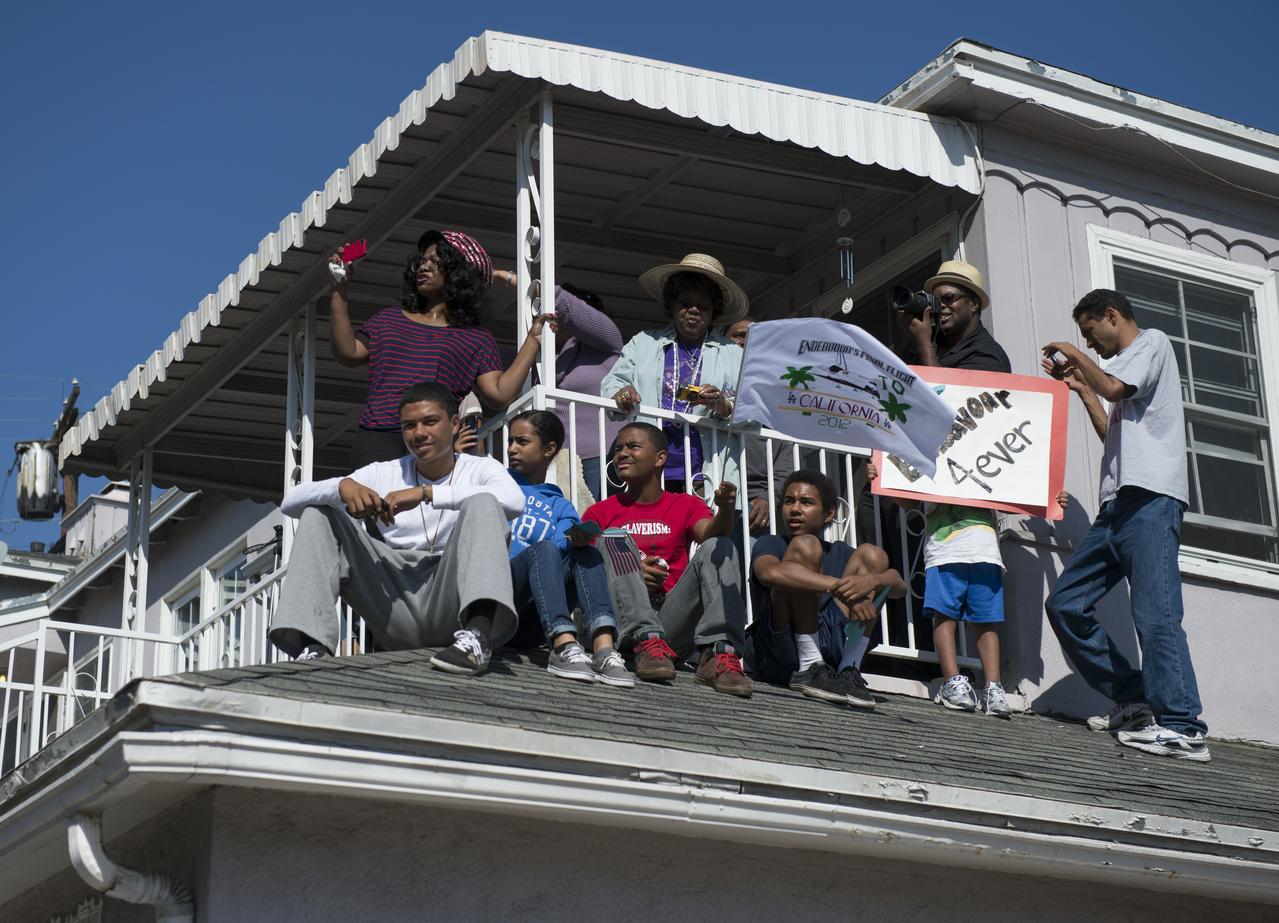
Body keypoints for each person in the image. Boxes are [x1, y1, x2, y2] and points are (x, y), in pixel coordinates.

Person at [1041, 289, 1209, 762]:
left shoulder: (1151, 344)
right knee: (1067, 603)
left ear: (1112, 315)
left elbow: (1114, 388)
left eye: (1090, 333)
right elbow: (1111, 428)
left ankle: (1183, 726)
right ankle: (1136, 701)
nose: (1089, 345)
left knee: (1155, 614)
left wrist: (1076, 358)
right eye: (1083, 341)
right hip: (1115, 508)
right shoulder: (1123, 371)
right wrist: (1081, 388)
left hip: (1152, 501)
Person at [267, 381, 525, 677]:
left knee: (483, 503)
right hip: (394, 600)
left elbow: (515, 502)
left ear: (454, 424)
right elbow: (290, 503)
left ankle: (478, 639)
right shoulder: (383, 472)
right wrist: (341, 486)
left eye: (429, 422)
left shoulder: (480, 468)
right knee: (317, 513)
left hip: (450, 599)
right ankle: (312, 647)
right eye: (409, 425)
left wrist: (426, 494)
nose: (418, 434)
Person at [888, 260, 1016, 716]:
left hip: (972, 504)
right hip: (933, 499)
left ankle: (991, 684)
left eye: (948, 300)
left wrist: (925, 345)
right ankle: (953, 677)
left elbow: (951, 408)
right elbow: (901, 393)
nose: (939, 308)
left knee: (982, 609)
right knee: (941, 602)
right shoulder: (934, 343)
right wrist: (913, 337)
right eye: (934, 300)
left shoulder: (989, 355)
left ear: (973, 305)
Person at [327, 230, 551, 467]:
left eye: (435, 261)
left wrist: (532, 341)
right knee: (371, 504)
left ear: (459, 273)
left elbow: (498, 395)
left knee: (426, 504)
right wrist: (338, 290)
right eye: (422, 261)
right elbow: (348, 353)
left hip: (435, 442)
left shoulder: (476, 338)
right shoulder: (388, 319)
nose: (424, 267)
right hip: (377, 435)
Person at [583, 423, 752, 697]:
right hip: (623, 620)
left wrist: (726, 508)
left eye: (632, 446)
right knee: (613, 536)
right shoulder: (599, 512)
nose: (622, 454)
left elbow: (711, 535)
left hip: (670, 628)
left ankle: (719, 655)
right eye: (618, 449)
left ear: (660, 458)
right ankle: (643, 639)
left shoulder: (685, 504)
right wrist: (632, 570)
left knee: (719, 545)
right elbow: (584, 570)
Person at [749, 470, 905, 709]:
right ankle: (809, 665)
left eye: (806, 502)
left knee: (873, 555)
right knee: (805, 546)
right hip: (780, 649)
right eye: (789, 501)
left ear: (829, 513)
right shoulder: (771, 543)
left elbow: (899, 587)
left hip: (830, 648)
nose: (795, 509)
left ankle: (848, 669)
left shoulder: (842, 552)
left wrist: (872, 581)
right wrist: (840, 589)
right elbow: (770, 573)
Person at [504, 409, 633, 687]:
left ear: (549, 448)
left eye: (522, 441)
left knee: (587, 553)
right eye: (510, 440)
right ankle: (564, 645)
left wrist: (576, 539)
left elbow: (564, 543)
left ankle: (604, 649)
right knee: (543, 549)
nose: (511, 448)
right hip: (499, 604)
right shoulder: (498, 482)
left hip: (533, 619)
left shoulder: (560, 505)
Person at [601, 253, 747, 493]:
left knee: (705, 531)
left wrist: (723, 405)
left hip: (707, 471)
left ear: (714, 311)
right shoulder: (644, 342)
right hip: (650, 468)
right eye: (685, 303)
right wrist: (621, 392)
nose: (693, 310)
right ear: (672, 305)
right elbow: (613, 383)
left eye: (703, 305)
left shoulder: (732, 352)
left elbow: (751, 411)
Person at [494, 273, 624, 499]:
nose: (552, 316)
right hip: (555, 461)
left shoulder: (607, 341)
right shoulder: (545, 360)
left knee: (597, 530)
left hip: (601, 457)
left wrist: (507, 278)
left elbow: (562, 302)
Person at [724, 315, 796, 533]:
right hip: (715, 488)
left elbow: (785, 459)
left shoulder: (776, 396)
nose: (746, 342)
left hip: (758, 501)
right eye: (738, 336)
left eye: (755, 337)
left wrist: (767, 498)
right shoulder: (712, 380)